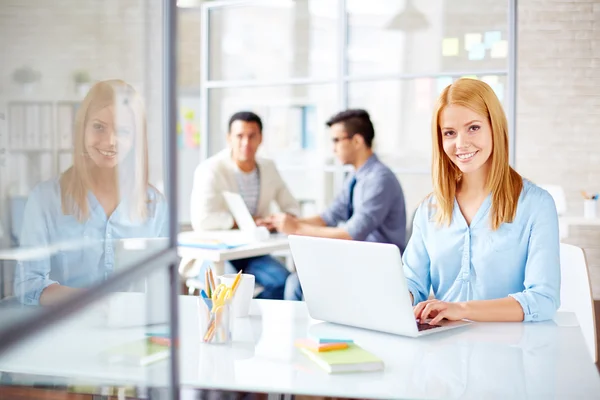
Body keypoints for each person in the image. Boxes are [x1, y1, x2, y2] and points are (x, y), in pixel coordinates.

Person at [405, 78, 560, 324]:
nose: (461, 143)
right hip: (445, 346)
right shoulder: (429, 209)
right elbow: (412, 281)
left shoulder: (536, 205)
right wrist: (398, 296)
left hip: (514, 349)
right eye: (450, 133)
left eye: (473, 128)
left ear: (494, 128)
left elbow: (543, 299)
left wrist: (462, 309)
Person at [14, 80, 168, 306]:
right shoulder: (46, 199)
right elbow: (29, 286)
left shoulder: (154, 204)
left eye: (123, 130)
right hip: (66, 330)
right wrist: (97, 303)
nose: (110, 141)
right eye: (99, 126)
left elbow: (161, 282)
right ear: (82, 129)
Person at [271, 109, 407, 300]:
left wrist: (297, 228)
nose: (333, 148)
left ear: (357, 141)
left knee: (296, 283)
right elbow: (329, 216)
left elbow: (351, 234)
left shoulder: (379, 179)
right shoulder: (356, 176)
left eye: (336, 140)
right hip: (357, 260)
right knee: (298, 278)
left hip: (377, 268)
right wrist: (285, 223)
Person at [189, 111, 299, 300]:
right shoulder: (210, 169)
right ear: (229, 138)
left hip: (253, 252)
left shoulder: (268, 167)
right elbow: (202, 220)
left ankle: (251, 317)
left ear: (260, 138)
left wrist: (276, 222)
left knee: (285, 283)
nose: (246, 143)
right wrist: (247, 222)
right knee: (225, 290)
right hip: (218, 253)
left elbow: (292, 208)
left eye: (252, 136)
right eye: (240, 136)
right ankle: (231, 320)